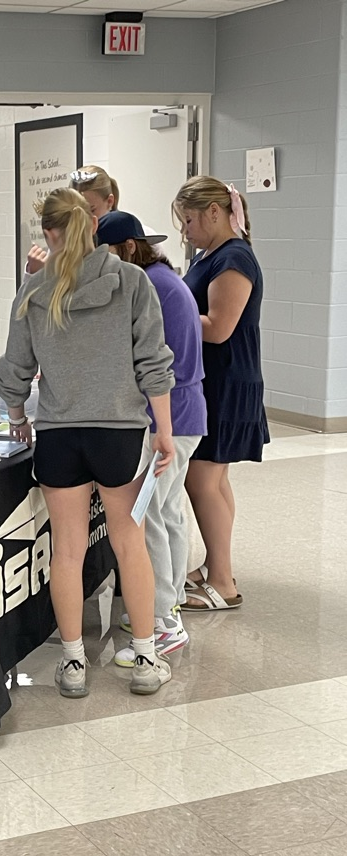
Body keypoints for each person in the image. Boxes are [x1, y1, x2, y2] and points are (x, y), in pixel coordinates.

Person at [0, 188, 176, 698]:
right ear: (93, 225)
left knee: (68, 552)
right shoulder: (132, 281)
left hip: (60, 436)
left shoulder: (34, 291)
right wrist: (164, 431)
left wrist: (17, 418)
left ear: (48, 233)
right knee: (129, 544)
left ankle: (73, 662)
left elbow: (15, 370)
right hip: (119, 434)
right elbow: (153, 362)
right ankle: (146, 658)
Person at [94, 212, 207, 667]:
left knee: (149, 517)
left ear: (126, 249)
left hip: (168, 417)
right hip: (187, 414)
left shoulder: (148, 286)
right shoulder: (163, 278)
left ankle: (161, 622)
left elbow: (143, 359)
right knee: (169, 511)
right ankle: (168, 603)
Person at [173, 177, 269, 612]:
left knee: (201, 480)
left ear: (215, 212)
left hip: (226, 380)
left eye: (189, 221)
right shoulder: (210, 255)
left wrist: (166, 312)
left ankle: (223, 583)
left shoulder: (233, 258)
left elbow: (218, 327)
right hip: (215, 379)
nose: (185, 231)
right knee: (214, 479)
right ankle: (217, 564)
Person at [24, 165, 120, 277]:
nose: (81, 221)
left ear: (110, 201)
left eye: (91, 210)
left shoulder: (126, 241)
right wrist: (35, 275)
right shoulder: (59, 246)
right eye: (73, 214)